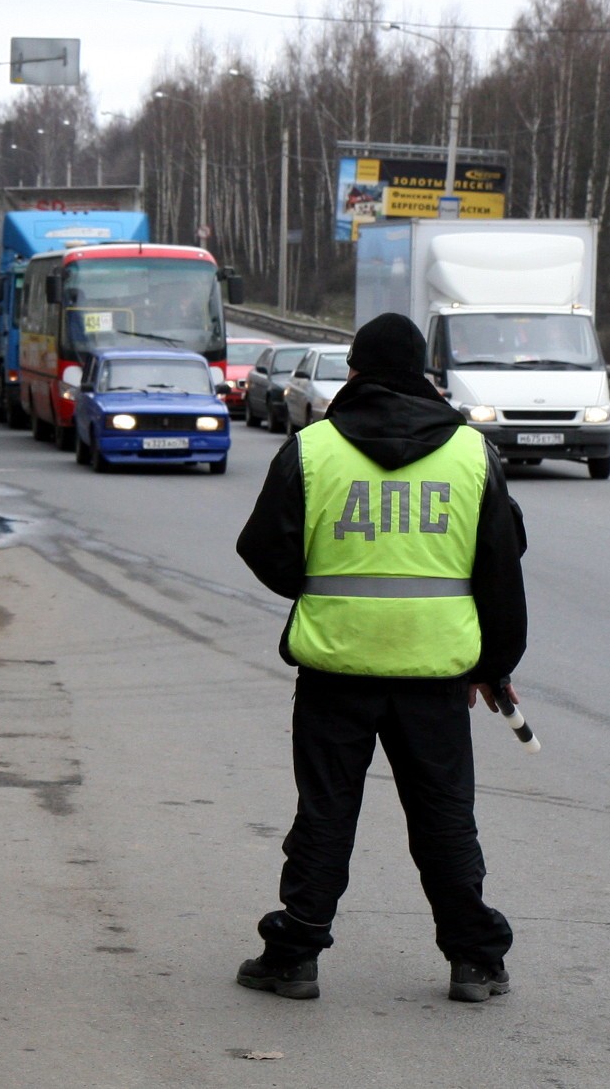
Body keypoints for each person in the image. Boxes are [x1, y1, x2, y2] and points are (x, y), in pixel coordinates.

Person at [233, 312, 527, 1004]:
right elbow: (500, 569)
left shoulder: (312, 450)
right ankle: (475, 960)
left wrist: (322, 582)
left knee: (327, 810)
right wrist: (495, 664)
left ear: (357, 372)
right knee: (444, 815)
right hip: (436, 674)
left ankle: (295, 952)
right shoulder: (471, 454)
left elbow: (263, 549)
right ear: (424, 372)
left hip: (336, 667)